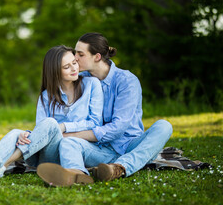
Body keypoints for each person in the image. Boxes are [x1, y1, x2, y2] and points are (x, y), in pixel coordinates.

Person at [37, 32, 173, 186]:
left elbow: (118, 128)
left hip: (130, 145)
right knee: (69, 143)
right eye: (75, 53)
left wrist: (69, 134)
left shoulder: (126, 81)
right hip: (100, 149)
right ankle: (76, 175)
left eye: (80, 54)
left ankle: (120, 168)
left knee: (164, 126)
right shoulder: (82, 80)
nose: (74, 58)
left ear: (97, 57)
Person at [0, 45, 104, 185]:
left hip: (70, 153)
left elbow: (95, 123)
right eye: (67, 67)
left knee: (51, 123)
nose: (74, 68)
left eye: (74, 63)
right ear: (55, 71)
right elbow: (41, 128)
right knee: (17, 133)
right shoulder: (46, 96)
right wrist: (28, 135)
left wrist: (64, 126)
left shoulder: (91, 85)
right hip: (47, 156)